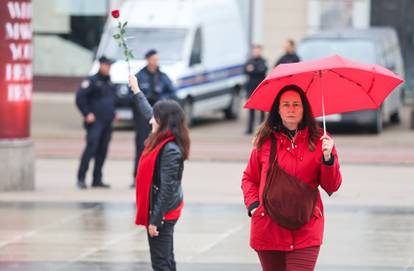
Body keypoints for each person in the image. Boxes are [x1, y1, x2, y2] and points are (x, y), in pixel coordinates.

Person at [241, 84, 342, 270]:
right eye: (286, 104)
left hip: (306, 227)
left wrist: (328, 159)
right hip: (269, 228)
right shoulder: (264, 141)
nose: (291, 109)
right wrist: (254, 206)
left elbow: (332, 186)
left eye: (296, 104)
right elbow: (249, 178)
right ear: (278, 110)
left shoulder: (321, 140)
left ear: (304, 109)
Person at [129, 74, 190, 271]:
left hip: (163, 212)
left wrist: (155, 220)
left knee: (161, 263)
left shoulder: (169, 149)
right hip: (162, 210)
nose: (150, 121)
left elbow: (167, 188)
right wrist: (136, 90)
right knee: (167, 259)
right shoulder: (161, 137)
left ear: (163, 122)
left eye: (155, 118)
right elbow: (147, 112)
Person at [130, 49, 176, 188]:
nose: (156, 62)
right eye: (154, 59)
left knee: (159, 148)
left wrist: (162, 100)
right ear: (148, 59)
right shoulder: (139, 76)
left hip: (160, 117)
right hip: (143, 120)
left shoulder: (162, 76)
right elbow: (132, 97)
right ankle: (137, 177)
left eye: (157, 60)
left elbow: (173, 93)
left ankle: (154, 177)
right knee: (141, 147)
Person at [75, 56, 117, 189]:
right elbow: (80, 98)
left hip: (107, 121)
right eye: (106, 65)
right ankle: (81, 178)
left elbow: (111, 100)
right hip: (95, 122)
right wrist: (87, 113)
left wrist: (114, 112)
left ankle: (97, 179)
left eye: (110, 66)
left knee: (102, 151)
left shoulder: (109, 81)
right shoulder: (91, 81)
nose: (108, 68)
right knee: (91, 149)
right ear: (100, 65)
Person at [244, 45, 268, 134]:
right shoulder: (249, 61)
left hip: (260, 88)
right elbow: (245, 70)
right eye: (254, 51)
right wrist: (254, 69)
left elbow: (262, 70)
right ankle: (249, 129)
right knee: (251, 109)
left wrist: (253, 69)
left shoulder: (263, 61)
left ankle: (261, 129)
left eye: (258, 51)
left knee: (261, 110)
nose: (256, 52)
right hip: (250, 88)